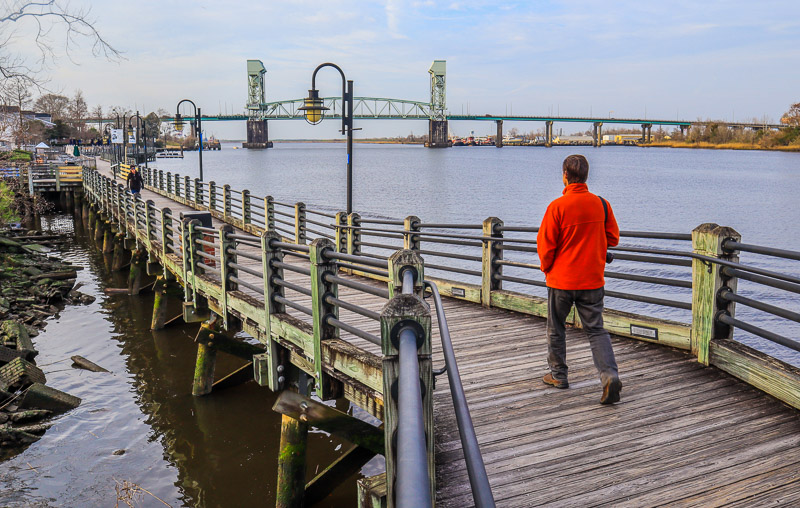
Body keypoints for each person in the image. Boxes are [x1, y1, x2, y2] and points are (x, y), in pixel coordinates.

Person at [537, 154, 622, 404]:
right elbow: (613, 238)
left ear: (565, 176)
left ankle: (559, 376)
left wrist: (547, 269)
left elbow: (546, 246)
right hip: (592, 281)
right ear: (585, 176)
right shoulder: (601, 205)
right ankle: (609, 377)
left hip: (561, 281)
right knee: (596, 330)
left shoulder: (556, 207)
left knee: (556, 328)